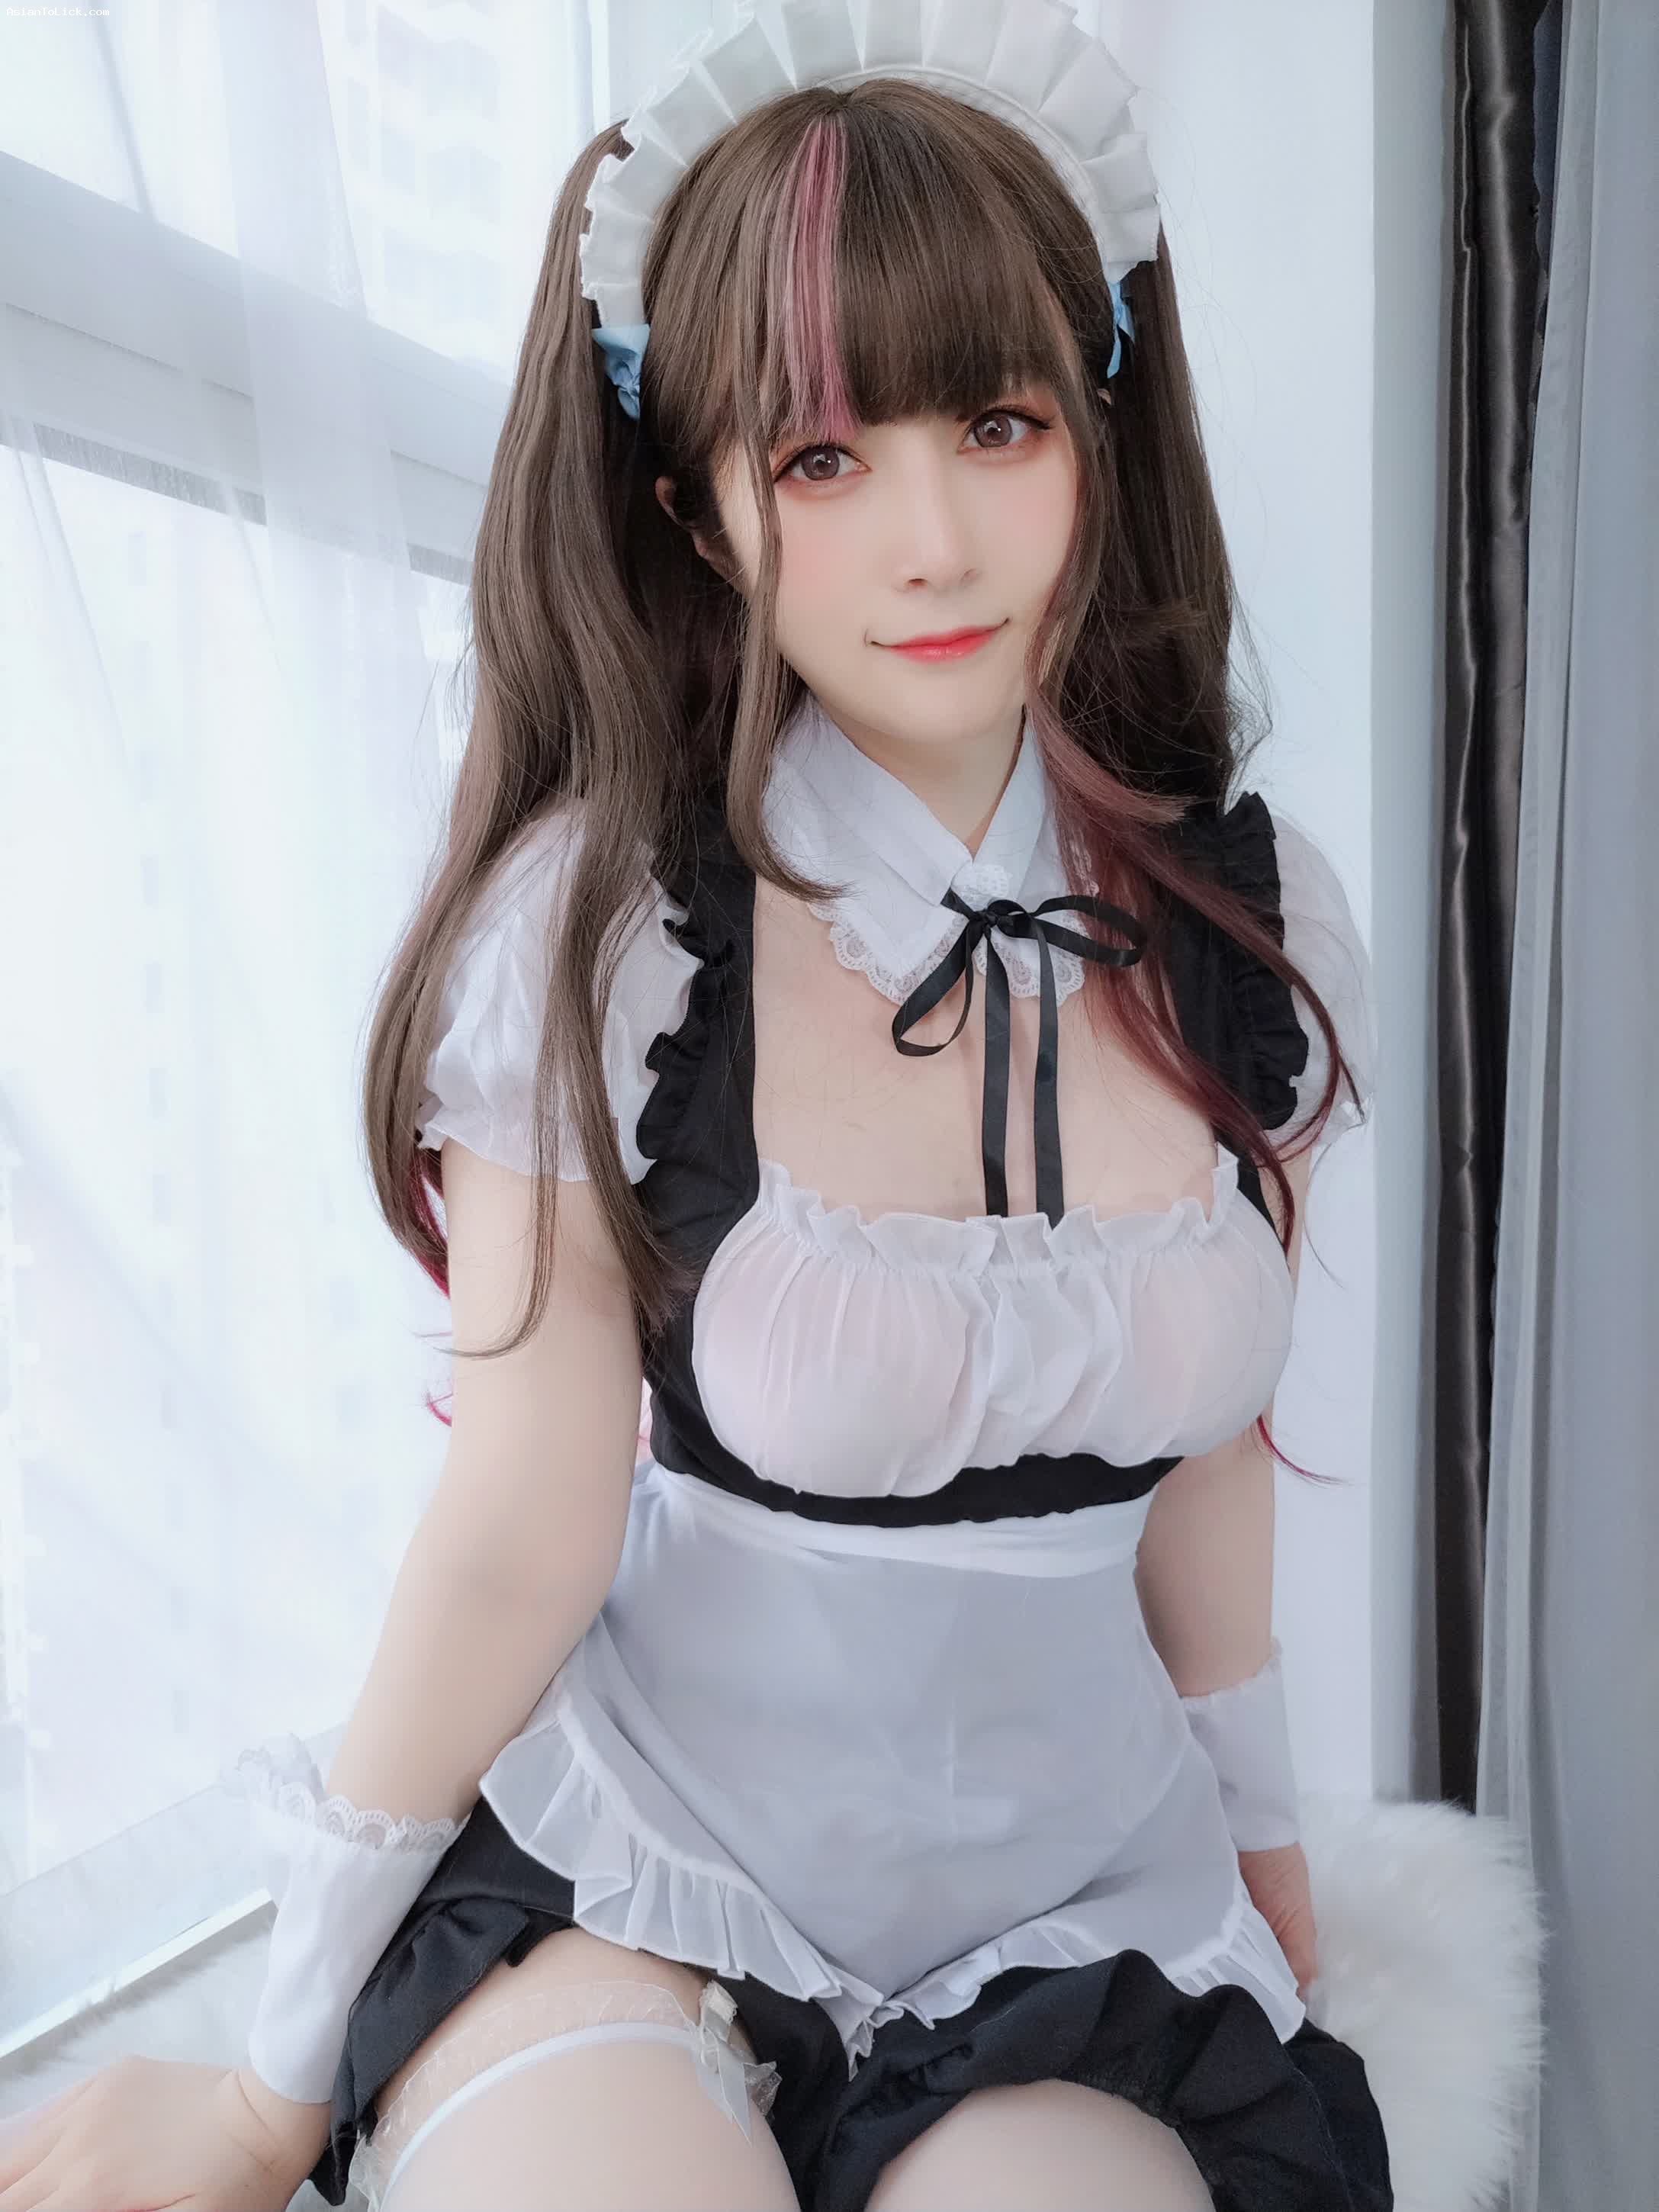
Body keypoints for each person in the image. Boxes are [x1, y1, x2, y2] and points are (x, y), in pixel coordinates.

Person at [0, 6, 1392, 2209]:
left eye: (999, 424)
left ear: (1102, 427)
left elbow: (1210, 1462)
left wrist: (1272, 1836)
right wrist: (271, 2087)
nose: (932, 542)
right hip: (642, 1876)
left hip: (1071, 1918)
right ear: (699, 510)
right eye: (823, 460)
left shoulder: (1248, 913)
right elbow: (519, 1526)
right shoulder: (615, 935)